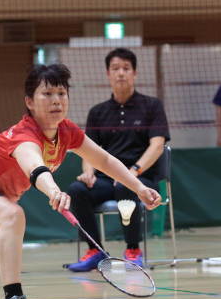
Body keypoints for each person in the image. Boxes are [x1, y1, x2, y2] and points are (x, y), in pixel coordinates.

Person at [0, 63, 161, 299]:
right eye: (47, 94)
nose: (56, 100)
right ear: (30, 102)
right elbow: (34, 165)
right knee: (13, 216)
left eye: (61, 93)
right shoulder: (24, 135)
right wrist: (53, 190)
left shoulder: (67, 131)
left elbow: (104, 160)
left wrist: (139, 188)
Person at [66, 47, 170, 271]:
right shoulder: (98, 112)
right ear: (108, 74)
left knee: (126, 186)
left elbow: (157, 145)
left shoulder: (152, 106)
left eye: (126, 68)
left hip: (141, 179)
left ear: (135, 73)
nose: (121, 73)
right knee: (77, 190)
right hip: (106, 179)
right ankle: (95, 251)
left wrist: (134, 172)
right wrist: (88, 172)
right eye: (116, 69)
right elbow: (88, 149)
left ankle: (133, 250)